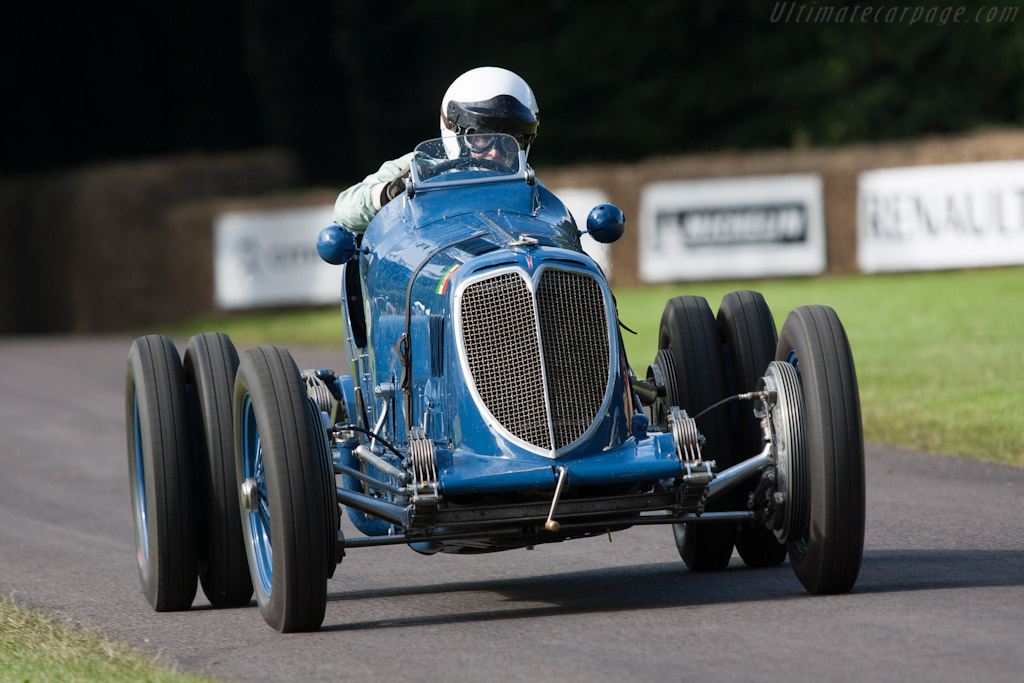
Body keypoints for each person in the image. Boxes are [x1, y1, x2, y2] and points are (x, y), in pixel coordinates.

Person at [333, 66, 540, 233]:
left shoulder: (528, 185)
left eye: (511, 140)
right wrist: (388, 193)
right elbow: (343, 210)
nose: (495, 153)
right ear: (455, 133)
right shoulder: (418, 166)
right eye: (482, 138)